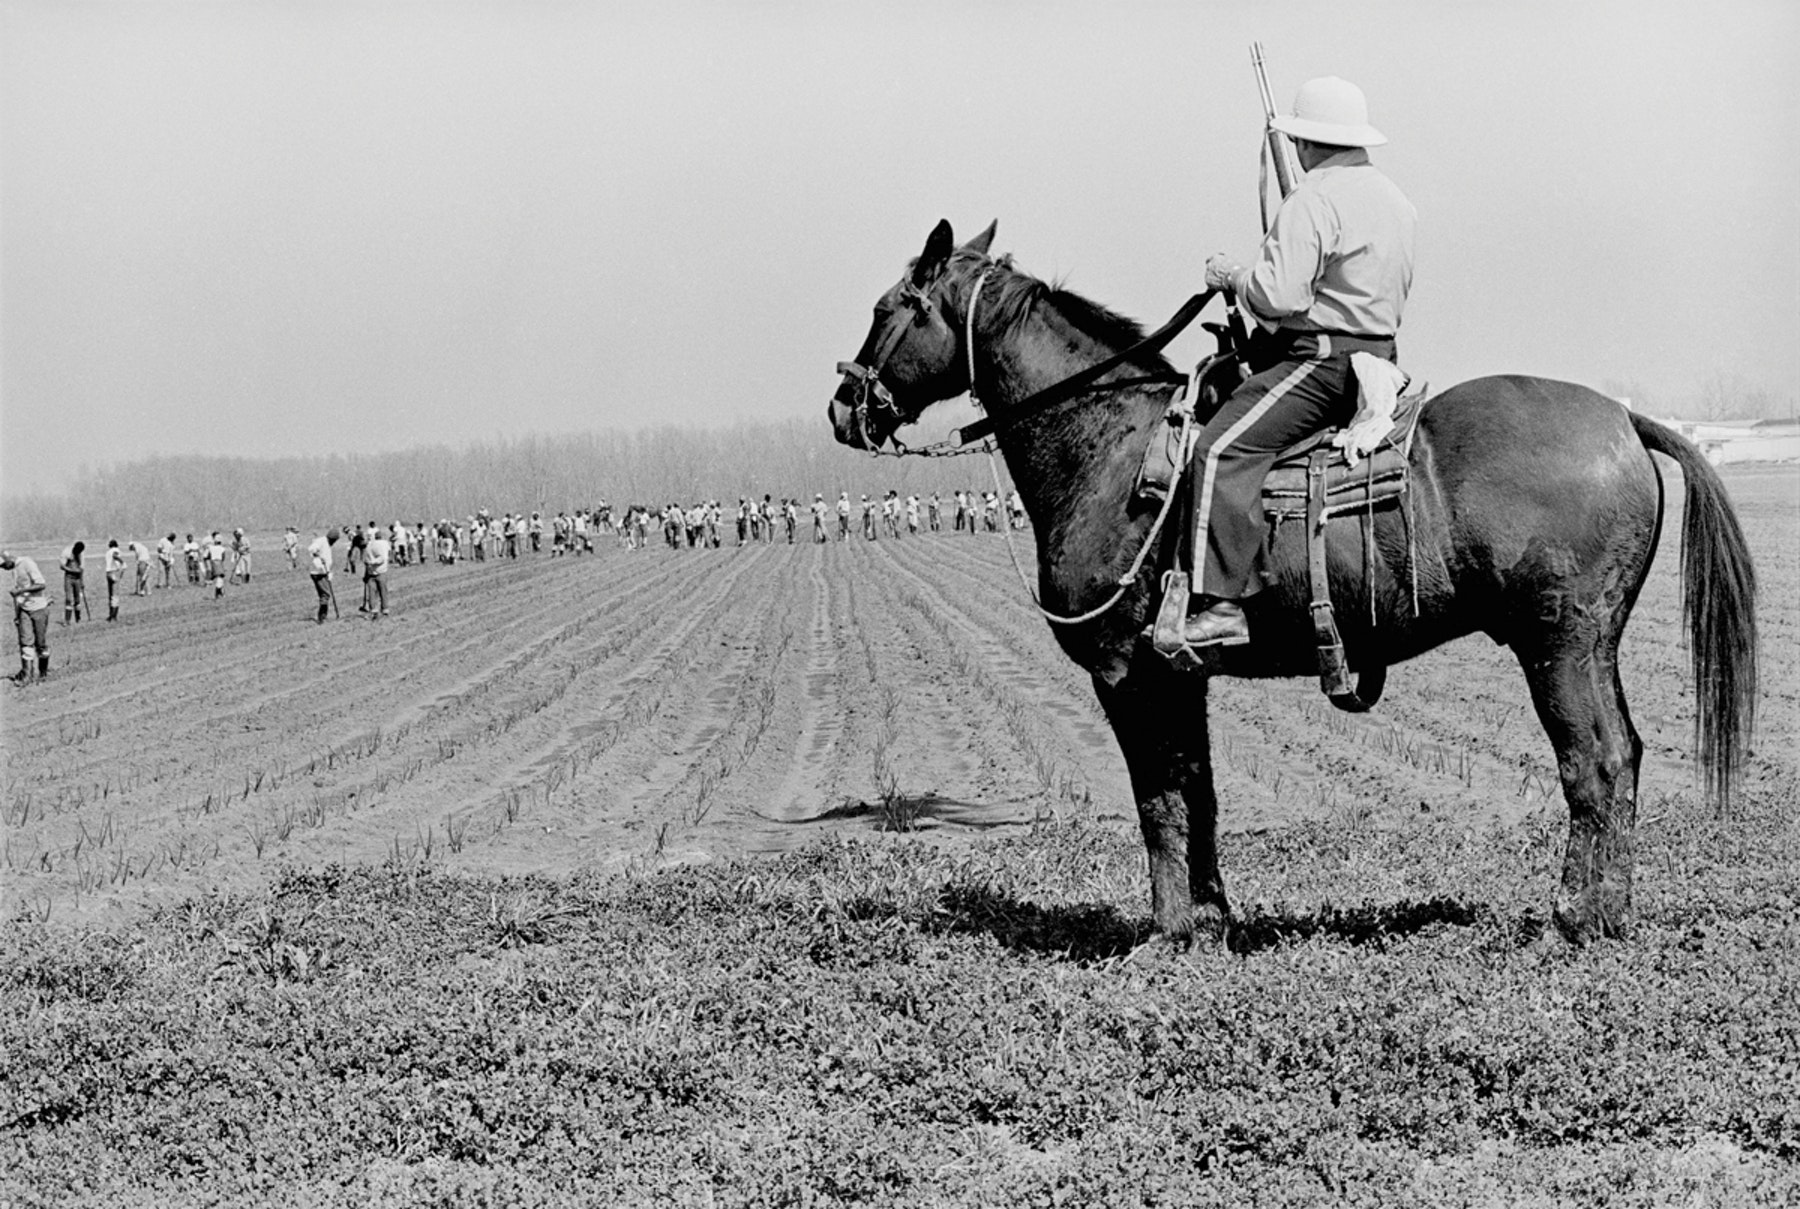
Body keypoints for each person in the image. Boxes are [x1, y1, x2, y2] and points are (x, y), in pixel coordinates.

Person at [1183, 76, 1415, 647]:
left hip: (1323, 365)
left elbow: (1277, 297)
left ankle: (1221, 606)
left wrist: (1232, 275)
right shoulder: (1395, 198)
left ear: (1306, 143)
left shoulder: (1313, 198)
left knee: (1221, 449)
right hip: (1381, 361)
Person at [3, 550, 51, 683]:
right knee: (25, 642)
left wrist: (21, 590)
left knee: (40, 645)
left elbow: (41, 584)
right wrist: (18, 614)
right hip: (24, 609)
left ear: (8, 558)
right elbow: (19, 597)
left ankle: (43, 673)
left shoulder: (27, 563)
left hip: (39, 608)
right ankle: (27, 675)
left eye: (3, 565)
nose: (3, 568)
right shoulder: (14, 569)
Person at [308, 528, 339, 624]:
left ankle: (322, 616)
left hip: (324, 572)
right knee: (325, 595)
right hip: (318, 573)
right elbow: (312, 548)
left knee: (324, 595)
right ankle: (322, 617)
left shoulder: (327, 543)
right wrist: (317, 554)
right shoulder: (321, 541)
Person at [364, 526, 391, 619]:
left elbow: (365, 560)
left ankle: (373, 609)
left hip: (370, 572)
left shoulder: (369, 545)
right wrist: (374, 562)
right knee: (383, 591)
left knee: (372, 592)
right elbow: (382, 558)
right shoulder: (384, 543)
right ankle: (385, 609)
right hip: (381, 570)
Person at [59, 540, 86, 624]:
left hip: (77, 578)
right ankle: (67, 620)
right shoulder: (67, 552)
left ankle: (78, 619)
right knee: (69, 599)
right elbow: (62, 566)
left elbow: (81, 569)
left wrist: (82, 581)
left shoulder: (81, 554)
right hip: (69, 578)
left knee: (77, 599)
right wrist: (71, 570)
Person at [104, 539, 125, 621]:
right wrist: (122, 562)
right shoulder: (116, 550)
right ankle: (114, 616)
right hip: (114, 572)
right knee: (115, 596)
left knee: (110, 595)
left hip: (108, 573)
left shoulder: (107, 552)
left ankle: (110, 614)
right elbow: (115, 556)